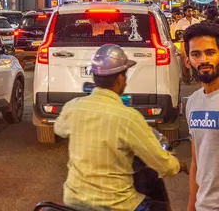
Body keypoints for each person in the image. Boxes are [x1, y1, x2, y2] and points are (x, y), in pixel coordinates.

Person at [54, 44, 185, 211]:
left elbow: (59, 129)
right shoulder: (129, 117)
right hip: (116, 205)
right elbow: (162, 164)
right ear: (121, 78)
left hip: (73, 200)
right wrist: (178, 166)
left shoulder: (73, 107)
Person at [184, 22, 219, 211]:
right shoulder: (193, 102)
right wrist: (192, 205)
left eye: (210, 52)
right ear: (187, 60)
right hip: (204, 205)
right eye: (196, 54)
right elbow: (196, 161)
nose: (203, 59)